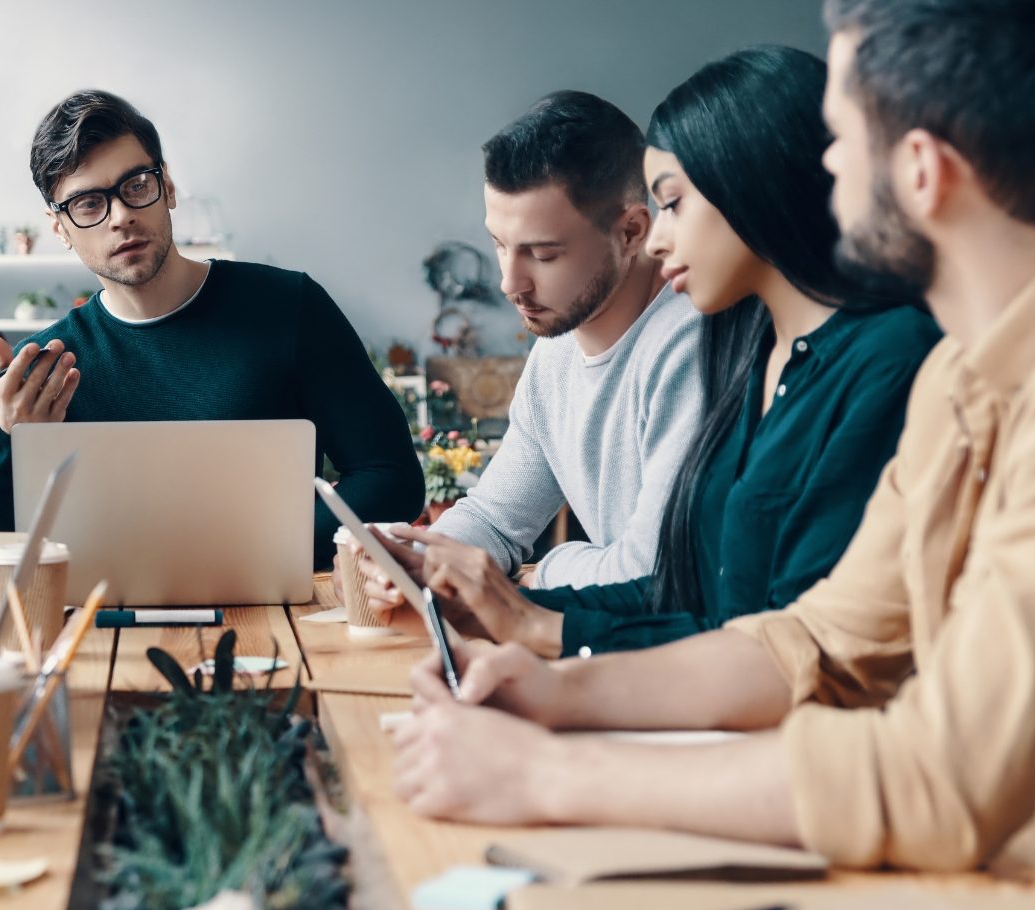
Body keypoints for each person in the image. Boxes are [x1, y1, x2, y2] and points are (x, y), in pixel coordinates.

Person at [388, 0, 1035, 899]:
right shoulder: (965, 373)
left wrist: (546, 774)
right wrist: (556, 693)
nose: (823, 163)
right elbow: (818, 639)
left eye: (840, 138)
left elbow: (943, 776)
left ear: (921, 171)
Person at [358, 47, 940, 659]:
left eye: (674, 204)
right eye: (499, 246)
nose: (510, 283)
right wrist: (438, 567)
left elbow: (713, 607)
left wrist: (533, 586)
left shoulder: (727, 341)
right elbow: (727, 614)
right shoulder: (767, 354)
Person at [0, 89, 423, 569]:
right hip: (108, 628)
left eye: (136, 185)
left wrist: (257, 552)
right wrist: (6, 432)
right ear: (59, 228)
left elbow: (391, 478)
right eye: (88, 204)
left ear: (169, 187)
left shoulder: (289, 307)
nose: (121, 217)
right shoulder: (50, 365)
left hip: (278, 614)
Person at [393, 92, 707, 591]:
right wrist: (418, 560)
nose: (510, 284)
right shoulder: (555, 351)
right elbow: (497, 517)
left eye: (542, 254)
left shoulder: (690, 347)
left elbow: (656, 573)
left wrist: (550, 570)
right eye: (499, 245)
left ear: (630, 232)